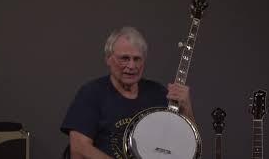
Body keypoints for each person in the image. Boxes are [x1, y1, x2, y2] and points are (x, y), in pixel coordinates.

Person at [60, 26, 195, 159]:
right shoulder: (91, 93)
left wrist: (187, 108)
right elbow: (79, 149)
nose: (131, 66)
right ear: (108, 59)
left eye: (137, 59)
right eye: (124, 58)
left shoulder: (158, 93)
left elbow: (187, 146)